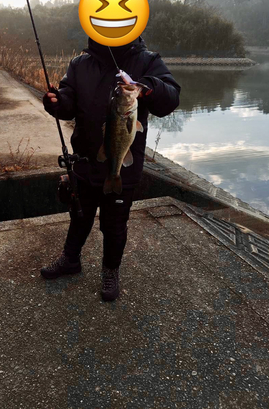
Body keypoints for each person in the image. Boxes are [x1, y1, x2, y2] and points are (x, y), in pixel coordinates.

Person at [41, 36, 181, 301]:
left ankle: (110, 271)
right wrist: (57, 102)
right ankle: (70, 259)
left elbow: (170, 98)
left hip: (123, 165)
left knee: (115, 224)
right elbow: (69, 102)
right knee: (79, 215)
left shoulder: (148, 61)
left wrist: (147, 87)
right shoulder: (80, 63)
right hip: (84, 160)